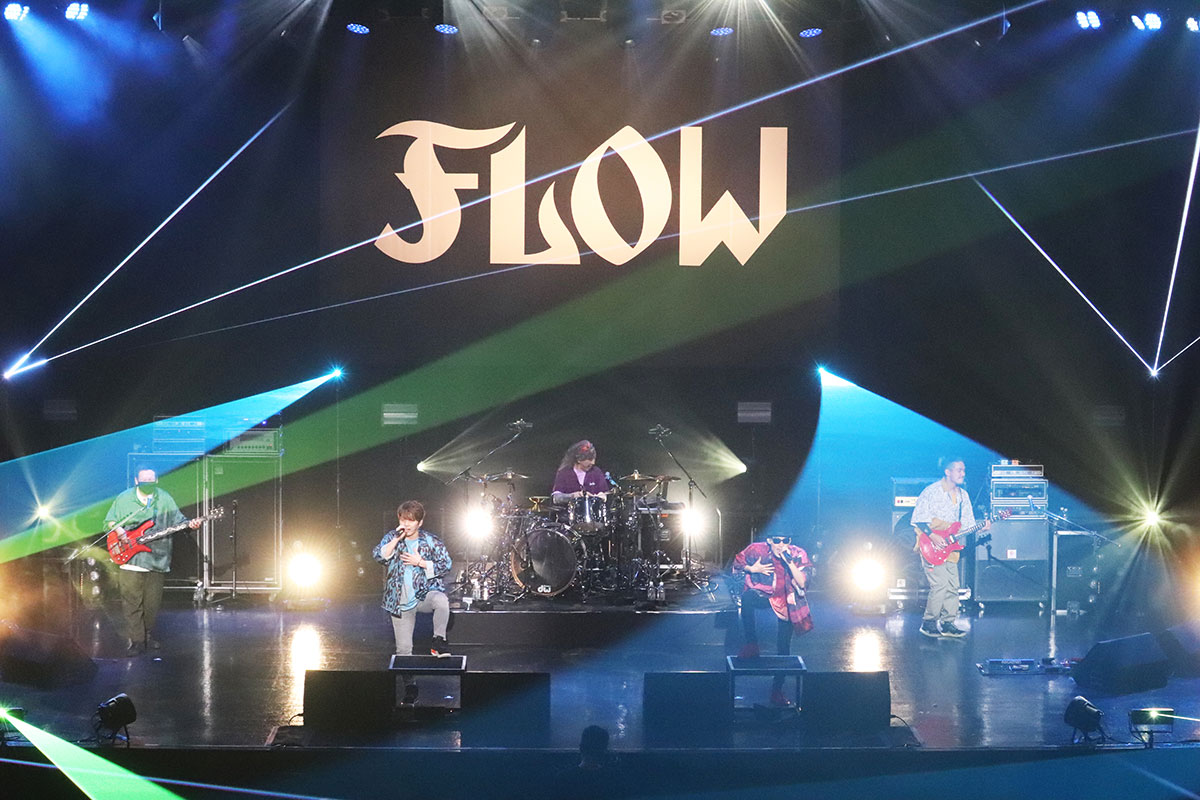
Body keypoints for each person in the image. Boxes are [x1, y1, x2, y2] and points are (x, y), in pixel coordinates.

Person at [103, 467, 202, 656]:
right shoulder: (124, 498)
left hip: (157, 558)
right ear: (136, 480)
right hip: (131, 558)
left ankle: (146, 635)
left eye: (151, 478)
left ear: (156, 480)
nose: (147, 481)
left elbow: (179, 520)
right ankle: (137, 641)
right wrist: (120, 531)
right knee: (132, 602)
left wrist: (191, 525)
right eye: (144, 479)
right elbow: (109, 521)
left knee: (152, 604)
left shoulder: (164, 498)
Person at [372, 500, 453, 704]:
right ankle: (410, 686)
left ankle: (438, 641)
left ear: (420, 522)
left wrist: (422, 563)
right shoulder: (392, 537)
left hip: (424, 595)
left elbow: (446, 564)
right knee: (403, 651)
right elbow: (379, 556)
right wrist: (396, 539)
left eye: (411, 520)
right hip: (400, 602)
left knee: (441, 601)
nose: (406, 524)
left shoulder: (430, 541)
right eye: (403, 519)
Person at [911, 457, 990, 639]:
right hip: (931, 544)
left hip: (950, 547)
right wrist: (933, 535)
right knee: (939, 584)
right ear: (948, 472)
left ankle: (948, 623)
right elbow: (918, 519)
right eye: (959, 470)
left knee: (953, 586)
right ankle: (929, 623)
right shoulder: (931, 491)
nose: (963, 473)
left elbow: (967, 525)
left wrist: (982, 526)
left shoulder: (963, 495)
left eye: (964, 470)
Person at [732, 534, 813, 706]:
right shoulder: (757, 550)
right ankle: (752, 645)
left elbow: (803, 582)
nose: (781, 545)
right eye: (777, 541)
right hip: (764, 594)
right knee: (747, 598)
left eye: (785, 541)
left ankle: (777, 690)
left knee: (783, 648)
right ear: (769, 541)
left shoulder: (797, 554)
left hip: (787, 600)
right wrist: (751, 569)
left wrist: (790, 562)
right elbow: (737, 563)